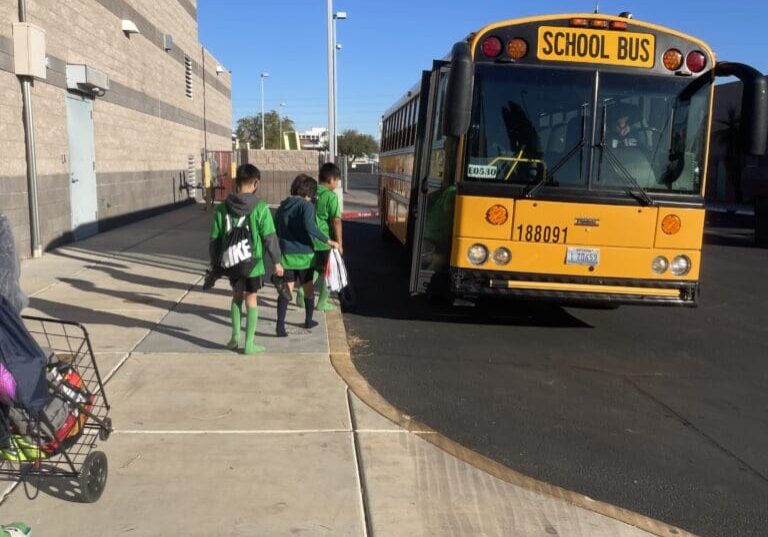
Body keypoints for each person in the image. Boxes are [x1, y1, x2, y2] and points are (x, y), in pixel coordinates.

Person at [209, 164, 283, 354]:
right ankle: (249, 344)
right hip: (253, 264)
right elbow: (270, 237)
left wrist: (215, 264)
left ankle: (234, 337)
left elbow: (215, 239)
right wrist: (277, 262)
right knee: (251, 300)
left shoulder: (223, 208)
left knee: (236, 297)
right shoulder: (260, 207)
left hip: (232, 262)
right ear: (256, 183)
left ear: (236, 182)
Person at [274, 175, 339, 337]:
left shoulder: (282, 206)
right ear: (309, 193)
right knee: (309, 289)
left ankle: (280, 327)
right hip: (305, 256)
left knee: (286, 291)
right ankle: (308, 321)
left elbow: (275, 229)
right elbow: (311, 227)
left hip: (287, 256)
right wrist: (328, 240)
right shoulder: (306, 205)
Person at [296, 162, 343, 311]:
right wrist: (339, 242)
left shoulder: (312, 191)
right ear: (331, 179)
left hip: (309, 238)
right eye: (337, 180)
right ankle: (322, 302)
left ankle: (302, 291)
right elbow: (336, 220)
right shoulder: (330, 196)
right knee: (328, 271)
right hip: (324, 239)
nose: (337, 184)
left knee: (316, 268)